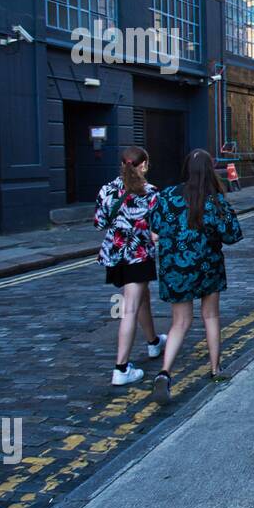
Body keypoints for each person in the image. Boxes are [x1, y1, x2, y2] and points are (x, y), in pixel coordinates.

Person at [148, 149, 243, 405]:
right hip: (206, 266)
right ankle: (215, 369)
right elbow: (233, 235)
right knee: (210, 316)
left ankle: (165, 372)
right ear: (210, 170)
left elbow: (154, 229)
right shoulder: (214, 200)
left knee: (179, 322)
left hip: (174, 269)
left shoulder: (166, 196)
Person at [94, 146, 166, 387]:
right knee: (130, 309)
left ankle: (154, 343)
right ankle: (121, 368)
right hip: (138, 255)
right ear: (143, 165)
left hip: (115, 256)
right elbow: (158, 229)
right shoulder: (150, 192)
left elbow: (99, 222)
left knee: (142, 297)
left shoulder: (107, 189)